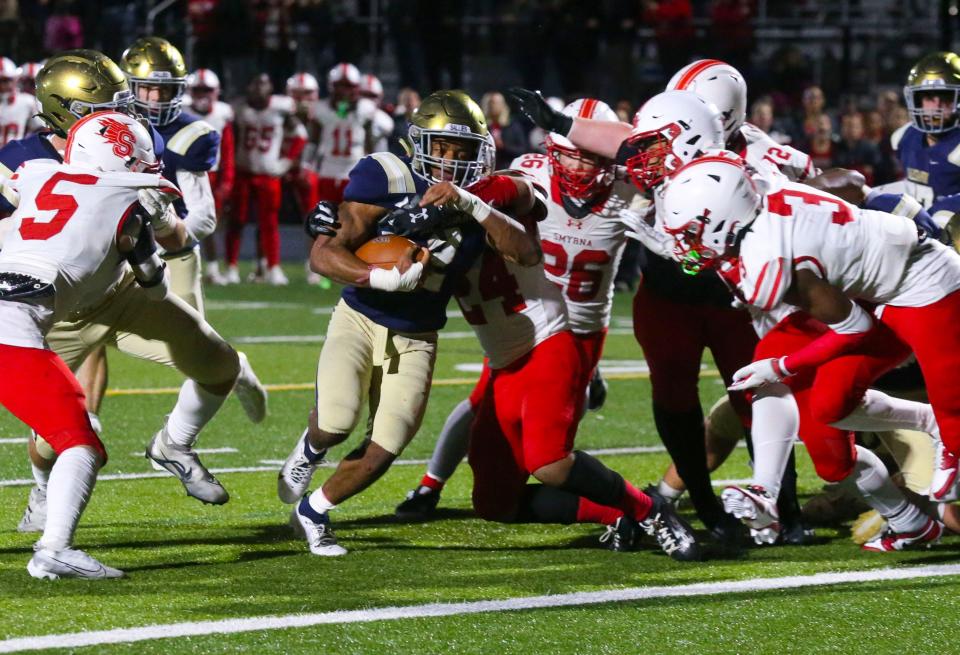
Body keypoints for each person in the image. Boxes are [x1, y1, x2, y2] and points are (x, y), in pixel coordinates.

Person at [276, 90, 539, 556]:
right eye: (442, 148)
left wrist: (470, 204)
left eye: (463, 150)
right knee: (336, 421)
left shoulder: (481, 193)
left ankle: (313, 511)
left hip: (418, 333)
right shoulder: (387, 174)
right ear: (419, 143)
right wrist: (378, 276)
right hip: (360, 316)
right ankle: (311, 449)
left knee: (386, 447)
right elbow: (323, 253)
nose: (452, 160)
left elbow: (525, 249)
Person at [3, 51, 256, 535]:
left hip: (122, 288)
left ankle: (175, 445)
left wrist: (160, 232)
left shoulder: (134, 140)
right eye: (103, 107)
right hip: (53, 303)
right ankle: (42, 488)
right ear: (66, 110)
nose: (121, 117)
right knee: (62, 429)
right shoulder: (20, 161)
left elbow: (174, 236)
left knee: (218, 361)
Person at [660, 153, 956, 550]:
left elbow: (854, 327)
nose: (688, 245)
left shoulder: (771, 255)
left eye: (694, 232)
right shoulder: (762, 189)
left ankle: (765, 489)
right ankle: (908, 512)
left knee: (773, 358)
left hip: (907, 291)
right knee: (827, 411)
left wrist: (784, 366)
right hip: (867, 297)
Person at [395, 99, 635, 531]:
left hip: (570, 327)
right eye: (570, 155)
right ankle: (433, 482)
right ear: (553, 150)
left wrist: (460, 202)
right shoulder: (535, 167)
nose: (579, 169)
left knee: (550, 457)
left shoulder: (621, 189)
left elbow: (510, 192)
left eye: (591, 157)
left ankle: (644, 511)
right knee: (495, 489)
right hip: (514, 335)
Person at [0, 111, 175, 578]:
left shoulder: (36, 173)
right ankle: (54, 548)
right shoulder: (127, 207)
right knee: (81, 442)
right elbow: (156, 289)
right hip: (11, 323)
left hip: (14, 309)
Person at [226, 73, 305, 285]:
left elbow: (301, 134)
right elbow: (228, 137)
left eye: (263, 84)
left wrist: (286, 162)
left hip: (268, 174)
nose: (258, 89)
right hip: (243, 171)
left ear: (271, 88)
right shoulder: (238, 109)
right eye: (255, 84)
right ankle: (231, 267)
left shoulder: (281, 108)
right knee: (236, 221)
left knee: (269, 223)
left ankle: (273, 267)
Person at [185, 68, 235, 287]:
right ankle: (185, 269)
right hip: (184, 174)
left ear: (217, 92)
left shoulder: (222, 114)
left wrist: (227, 182)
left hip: (211, 174)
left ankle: (213, 268)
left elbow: (228, 151)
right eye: (198, 90)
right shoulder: (180, 109)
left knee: (211, 225)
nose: (203, 94)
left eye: (207, 90)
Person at [0, 57, 42, 146]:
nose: (2, 86)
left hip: (16, 156)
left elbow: (41, 130)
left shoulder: (26, 101)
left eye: (5, 80)